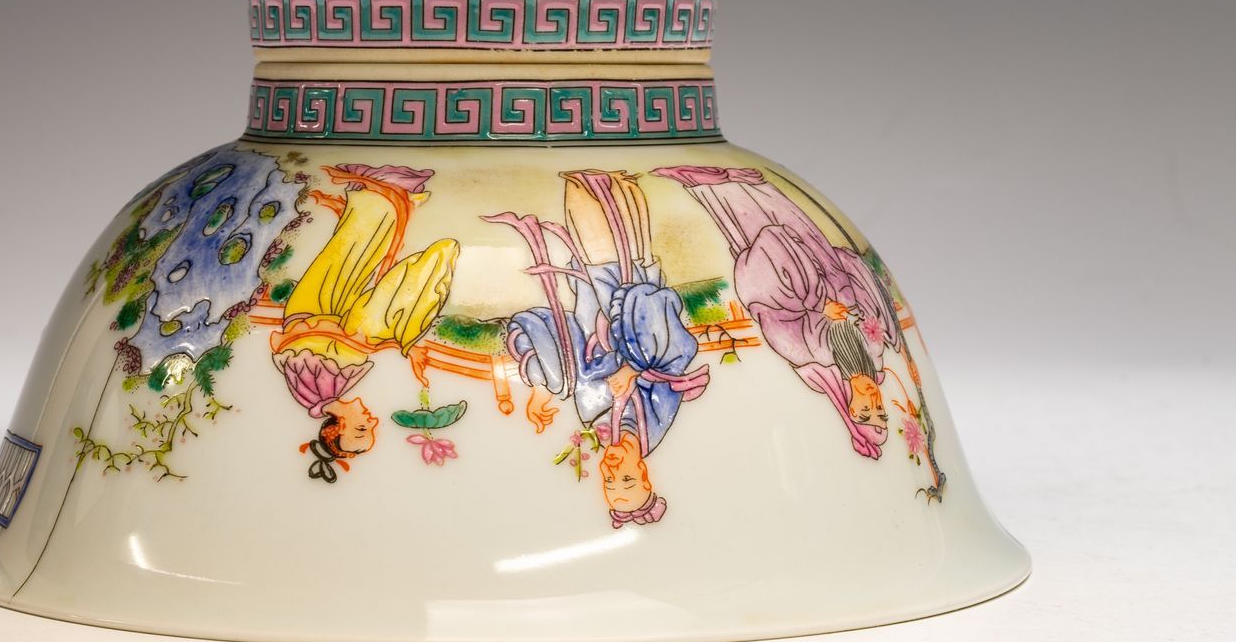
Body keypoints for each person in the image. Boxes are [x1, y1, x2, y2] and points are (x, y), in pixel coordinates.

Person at [488, 170, 709, 525]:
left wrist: (541, 387)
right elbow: (674, 356)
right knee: (614, 238)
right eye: (627, 479)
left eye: (609, 481)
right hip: (629, 303)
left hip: (596, 308)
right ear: (644, 473)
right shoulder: (655, 421)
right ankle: (609, 173)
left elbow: (577, 371)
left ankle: (598, 177)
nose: (613, 471)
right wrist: (633, 369)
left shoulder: (601, 426)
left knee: (591, 221)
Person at [655, 165, 896, 458]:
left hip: (778, 264)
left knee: (746, 221)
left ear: (850, 407)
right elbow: (860, 281)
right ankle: (750, 184)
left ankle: (711, 185)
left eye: (866, 410)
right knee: (788, 215)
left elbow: (773, 316)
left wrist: (818, 304)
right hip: (822, 260)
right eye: (879, 409)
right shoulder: (874, 351)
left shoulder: (814, 362)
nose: (873, 400)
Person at [271, 165, 459, 480]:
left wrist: (386, 344)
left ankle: (381, 195)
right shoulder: (330, 392)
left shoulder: (316, 392)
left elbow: (309, 352)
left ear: (337, 425)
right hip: (324, 323)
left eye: (361, 428)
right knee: (354, 260)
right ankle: (389, 197)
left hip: (313, 317)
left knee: (349, 254)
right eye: (370, 429)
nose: (371, 421)